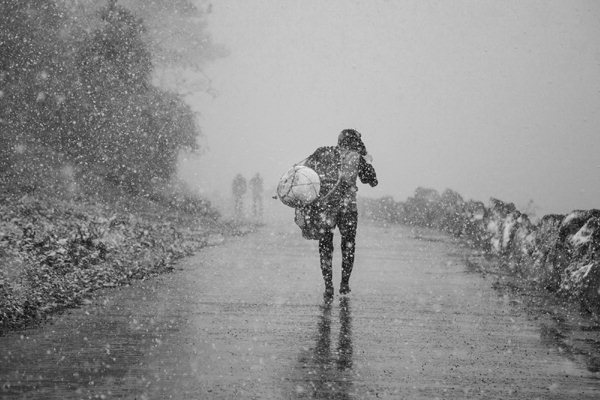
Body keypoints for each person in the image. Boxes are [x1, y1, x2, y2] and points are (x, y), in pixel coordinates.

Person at [316, 129, 378, 298]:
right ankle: (344, 285)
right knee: (348, 246)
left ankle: (328, 286)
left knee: (325, 246)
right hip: (348, 209)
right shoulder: (356, 157)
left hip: (327, 208)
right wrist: (366, 159)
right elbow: (372, 181)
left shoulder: (326, 154)